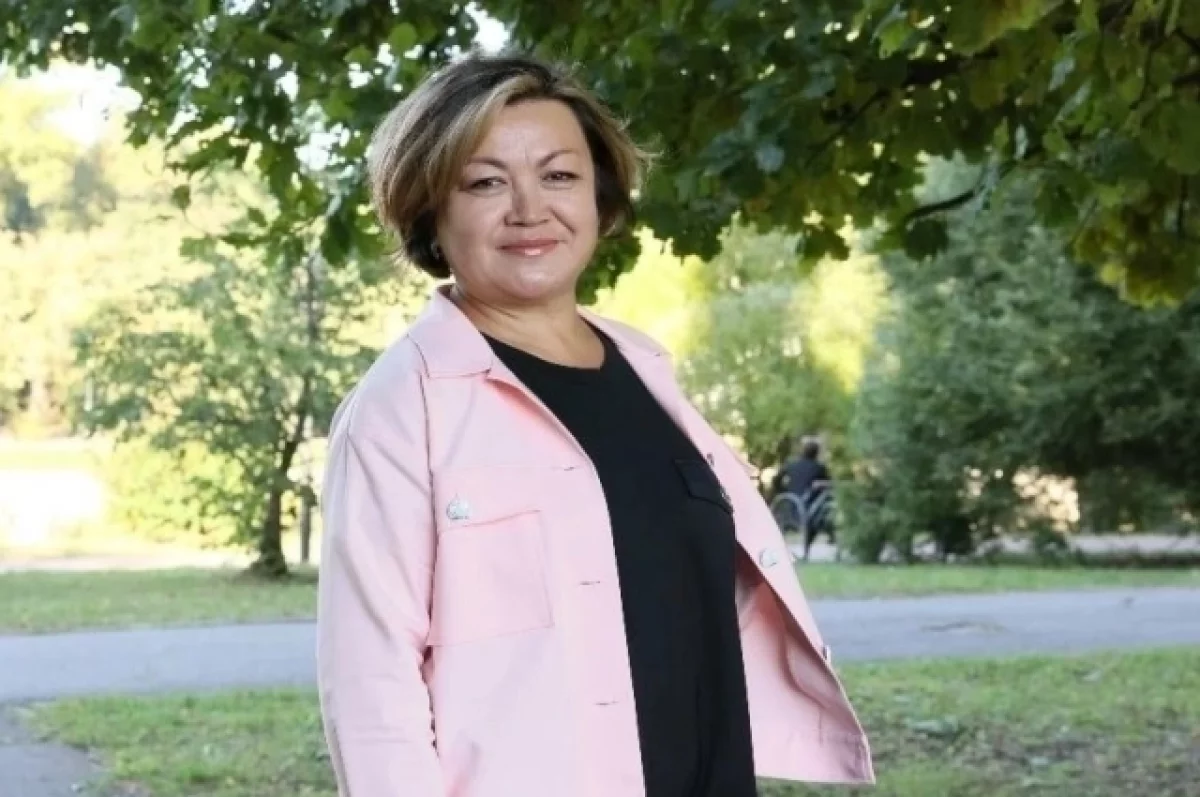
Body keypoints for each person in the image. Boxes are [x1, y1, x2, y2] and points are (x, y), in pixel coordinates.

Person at [316, 52, 873, 797]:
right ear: (429, 213)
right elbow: (370, 687)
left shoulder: (647, 370)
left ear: (599, 197)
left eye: (558, 175)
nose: (529, 210)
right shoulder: (399, 408)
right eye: (484, 182)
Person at [771, 437, 836, 560]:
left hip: (789, 506)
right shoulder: (818, 468)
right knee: (823, 508)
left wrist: (783, 490)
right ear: (816, 452)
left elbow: (776, 480)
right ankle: (818, 542)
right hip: (808, 510)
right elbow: (828, 484)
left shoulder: (791, 465)